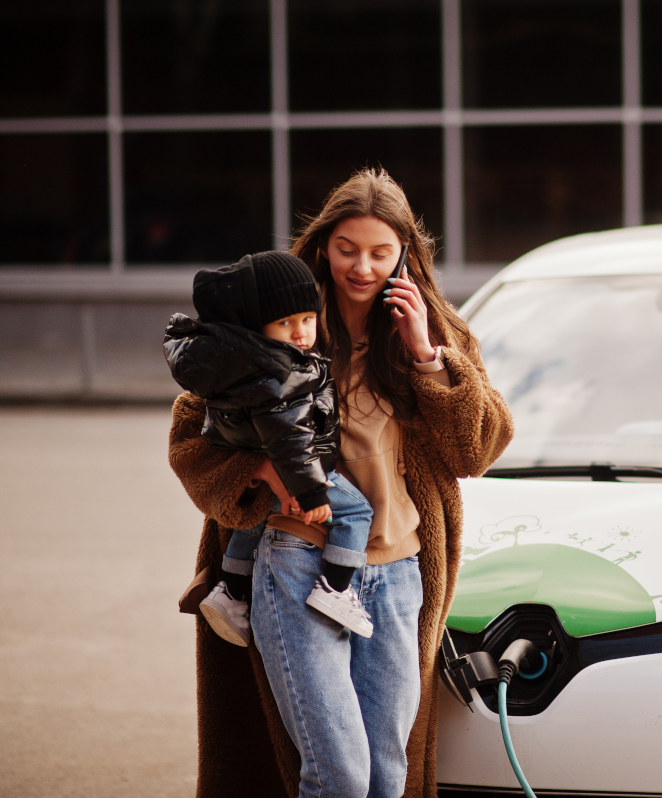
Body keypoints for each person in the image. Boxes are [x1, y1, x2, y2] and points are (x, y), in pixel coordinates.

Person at [167, 168, 513, 798]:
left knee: (387, 775)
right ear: (324, 244)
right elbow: (192, 435)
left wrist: (426, 356)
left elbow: (478, 449)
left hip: (400, 573)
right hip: (296, 560)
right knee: (342, 777)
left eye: (380, 252)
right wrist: (261, 471)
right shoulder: (278, 315)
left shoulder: (436, 331)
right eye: (347, 248)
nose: (362, 267)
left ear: (405, 252)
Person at [164, 250, 376, 644]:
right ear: (257, 325)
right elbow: (290, 436)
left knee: (257, 515)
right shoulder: (278, 372)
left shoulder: (241, 365)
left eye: (308, 319)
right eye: (285, 323)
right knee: (357, 511)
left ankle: (231, 590)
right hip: (302, 474)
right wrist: (310, 491)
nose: (300, 333)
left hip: (273, 469)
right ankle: (335, 587)